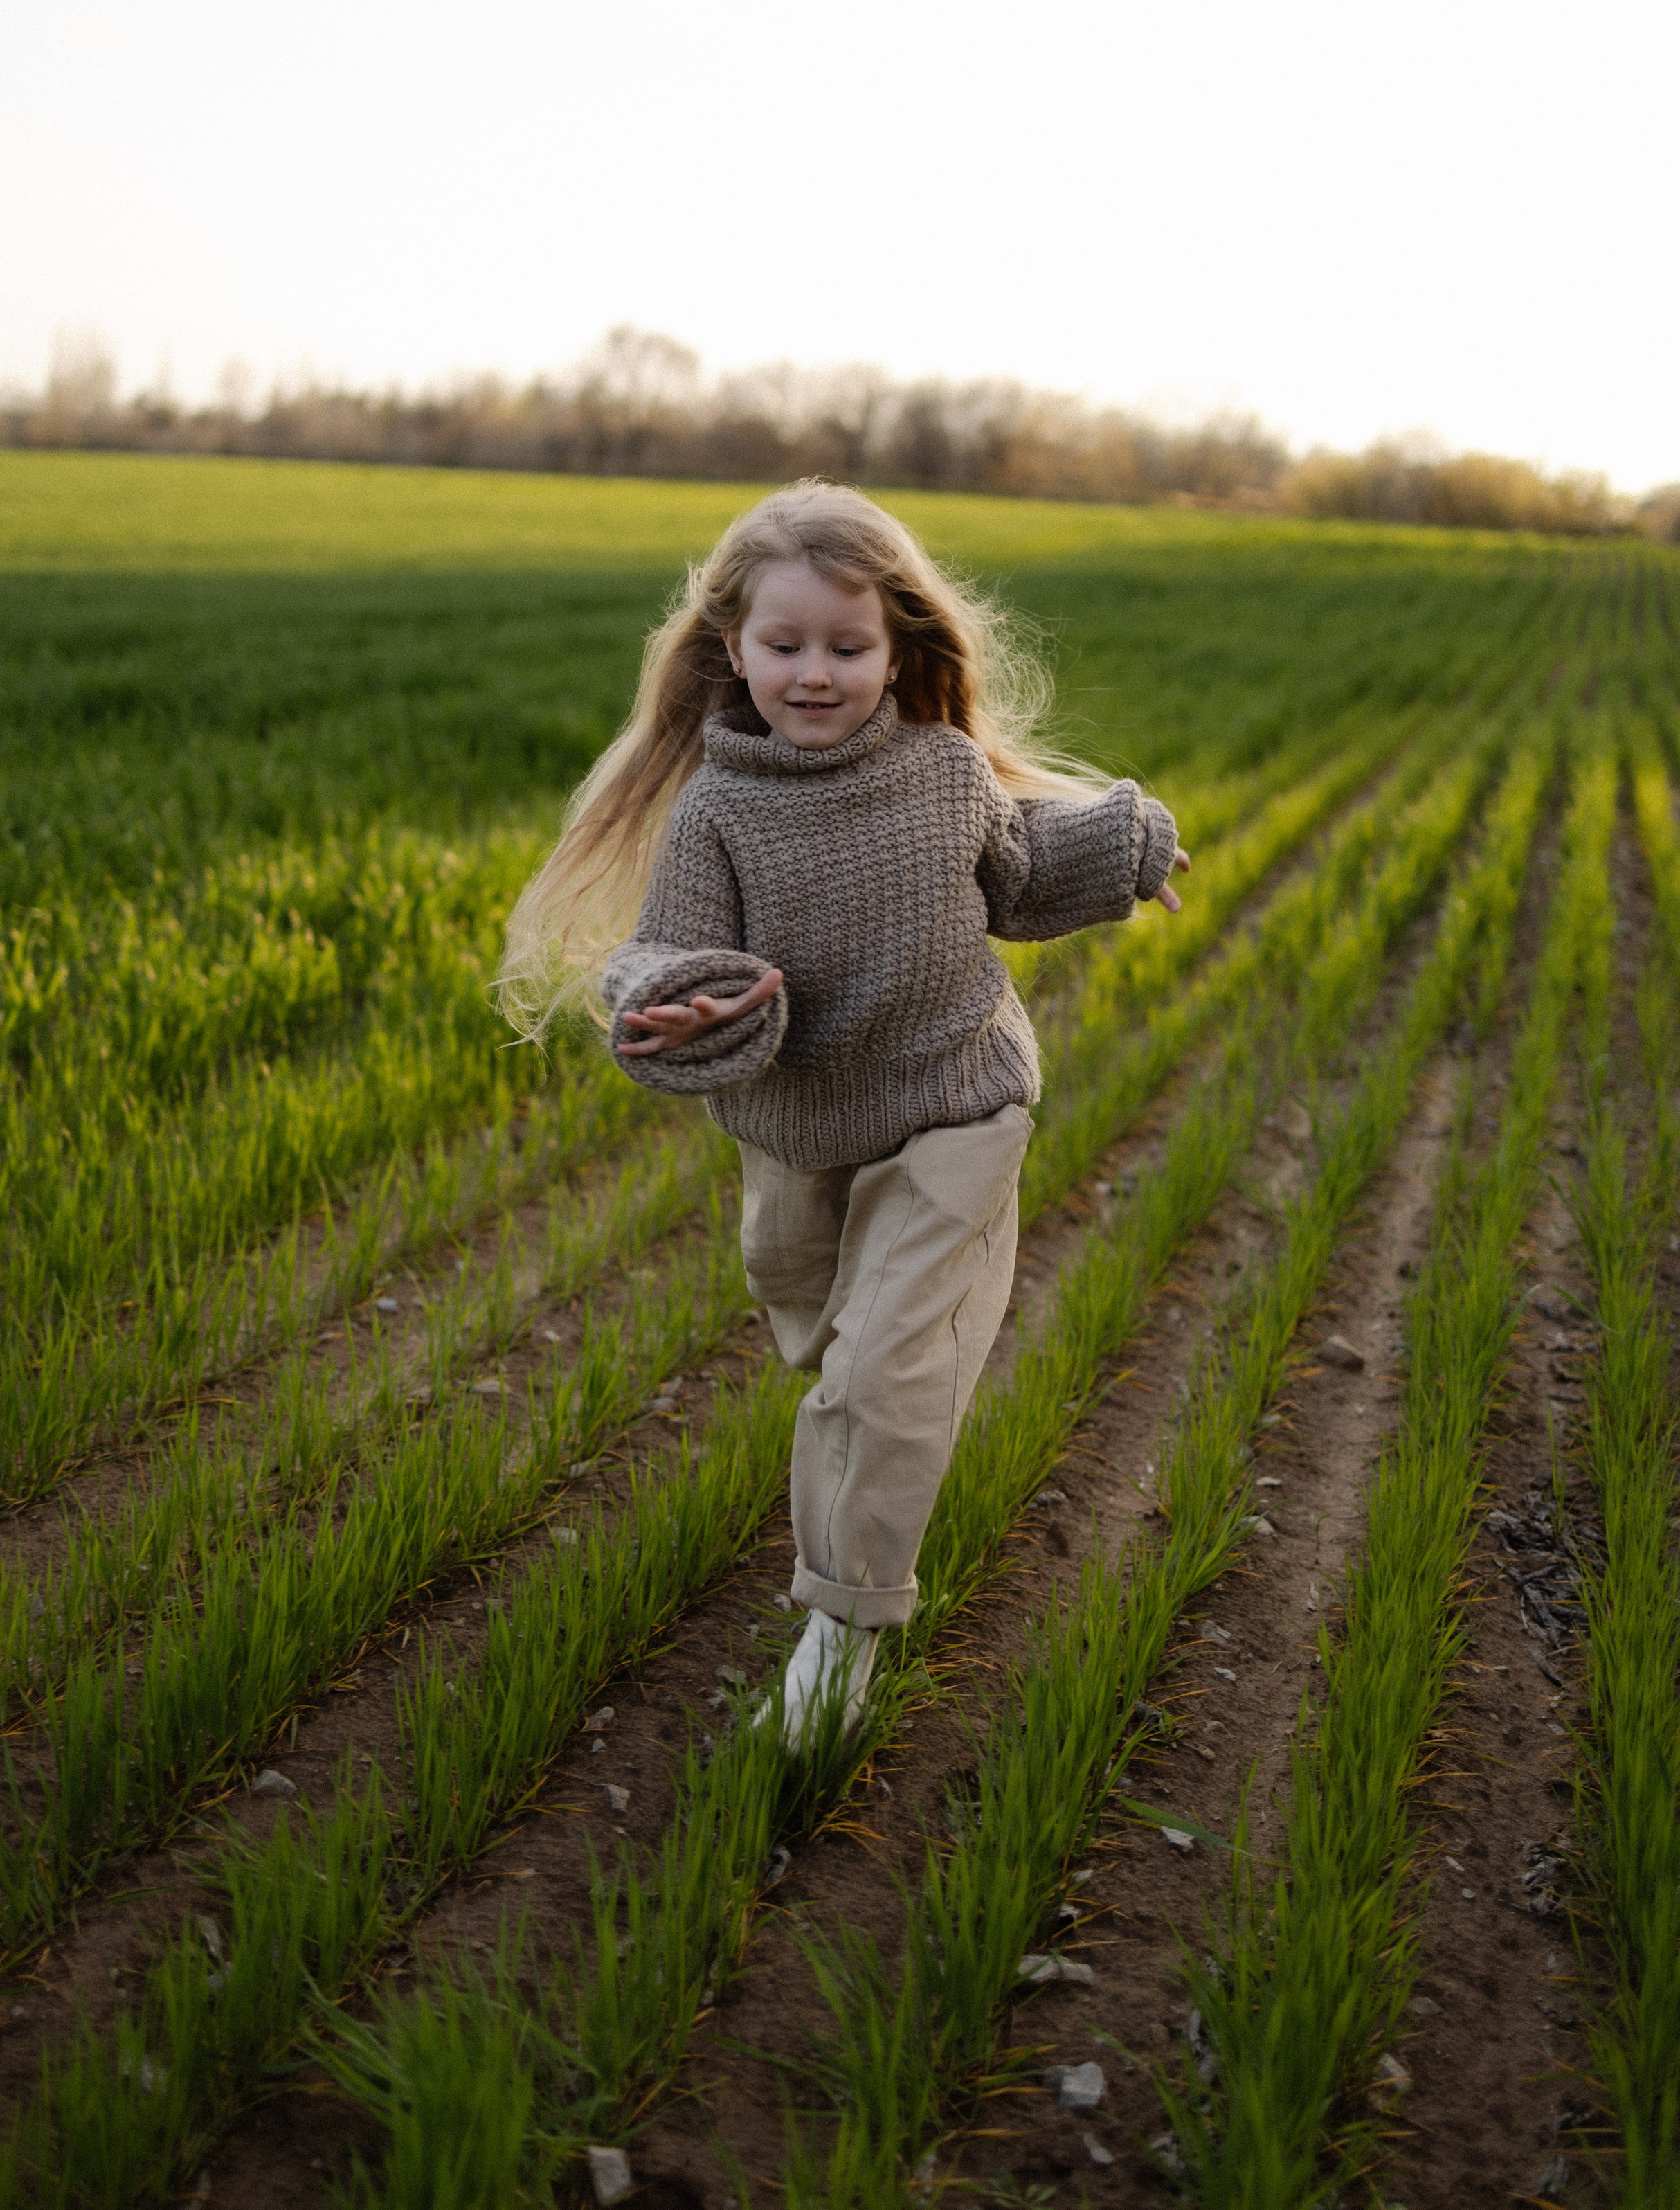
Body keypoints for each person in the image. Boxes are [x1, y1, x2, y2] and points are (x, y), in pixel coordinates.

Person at [501, 480, 1186, 1743]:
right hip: (799, 1129)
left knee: (879, 1375)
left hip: (956, 1104)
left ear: (897, 650)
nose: (815, 673)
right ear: (733, 648)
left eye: (847, 646)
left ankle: (841, 1636)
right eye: (786, 645)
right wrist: (671, 1000)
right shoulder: (716, 811)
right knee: (821, 1338)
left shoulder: (944, 774)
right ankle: (861, 1454)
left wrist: (1129, 847)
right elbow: (666, 951)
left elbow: (1019, 880)